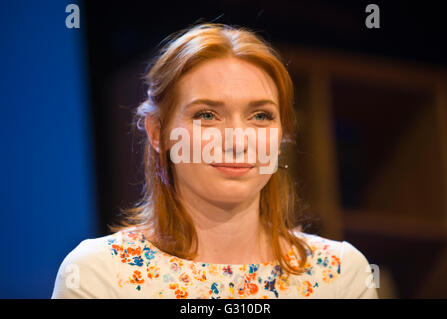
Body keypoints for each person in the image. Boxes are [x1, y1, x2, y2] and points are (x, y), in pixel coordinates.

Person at [52, 23, 378, 299]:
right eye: (207, 114)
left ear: (282, 136)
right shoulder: (99, 274)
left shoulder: (340, 275)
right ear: (158, 132)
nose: (237, 139)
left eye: (261, 115)